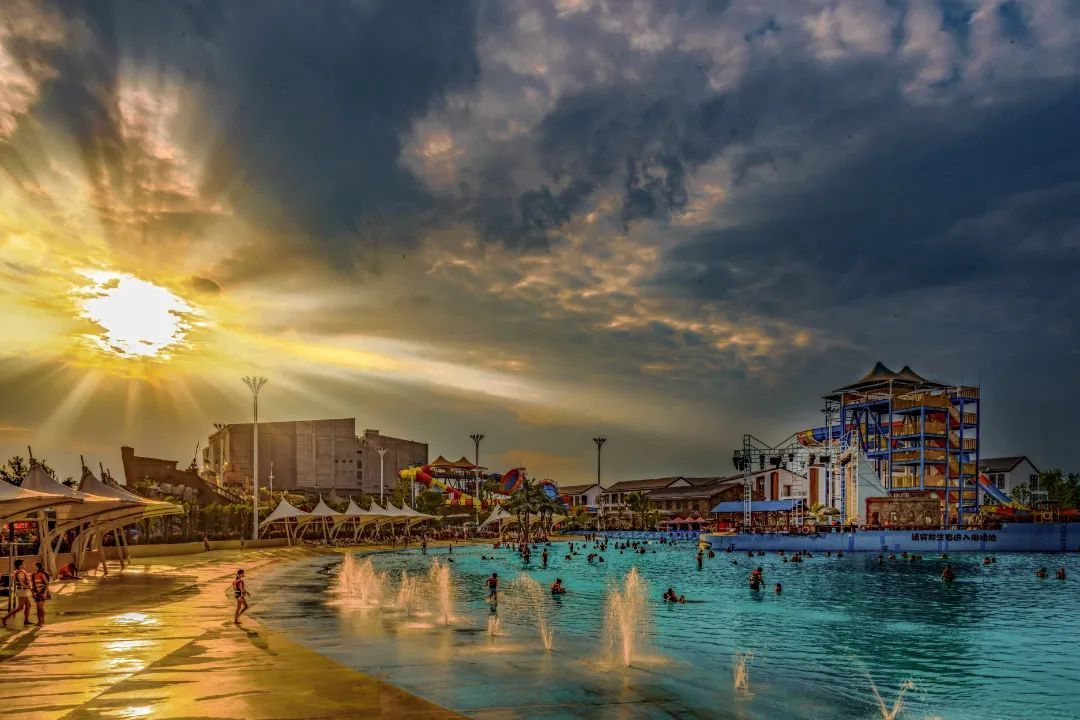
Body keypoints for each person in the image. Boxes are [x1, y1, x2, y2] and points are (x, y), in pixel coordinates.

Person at [2, 559, 32, 628]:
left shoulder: (18, 571)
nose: (24, 565)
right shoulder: (20, 573)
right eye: (23, 563)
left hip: (23, 591)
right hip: (22, 591)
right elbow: (21, 582)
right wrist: (28, 587)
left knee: (28, 605)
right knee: (20, 607)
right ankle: (5, 618)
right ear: (20, 565)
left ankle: (26, 620)